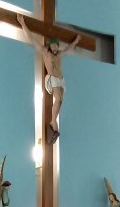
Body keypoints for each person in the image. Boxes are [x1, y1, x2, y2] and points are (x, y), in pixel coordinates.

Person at [17, 13, 80, 144]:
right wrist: (23, 24)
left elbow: (69, 48)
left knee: (60, 101)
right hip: (53, 79)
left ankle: (53, 127)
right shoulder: (45, 52)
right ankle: (52, 122)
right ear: (50, 45)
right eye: (54, 45)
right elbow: (32, 39)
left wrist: (75, 41)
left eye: (57, 45)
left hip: (61, 80)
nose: (56, 47)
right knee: (58, 99)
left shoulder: (60, 54)